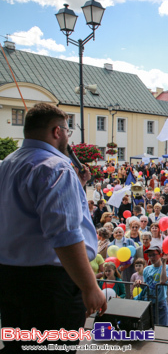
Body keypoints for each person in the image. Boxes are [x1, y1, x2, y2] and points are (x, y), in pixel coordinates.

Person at [0, 103, 106, 353]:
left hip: (10, 280)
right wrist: (90, 287)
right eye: (68, 130)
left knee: (18, 347)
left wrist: (77, 186)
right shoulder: (55, 168)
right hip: (49, 288)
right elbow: (64, 236)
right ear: (57, 131)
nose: (69, 137)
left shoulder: (6, 164)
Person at [134, 245, 168, 325]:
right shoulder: (146, 269)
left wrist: (164, 264)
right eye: (149, 255)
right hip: (148, 301)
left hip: (160, 302)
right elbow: (146, 285)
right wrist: (139, 283)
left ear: (160, 255)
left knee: (161, 328)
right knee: (148, 327)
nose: (151, 257)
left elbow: (163, 281)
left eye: (154, 255)